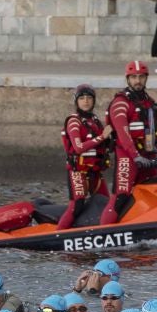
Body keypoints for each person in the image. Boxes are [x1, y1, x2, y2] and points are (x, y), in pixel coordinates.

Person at [104, 61, 157, 225]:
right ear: (128, 79)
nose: (138, 80)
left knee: (151, 192)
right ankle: (102, 231)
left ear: (146, 78)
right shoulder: (120, 103)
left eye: (141, 77)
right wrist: (135, 156)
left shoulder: (150, 104)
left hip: (148, 157)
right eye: (134, 77)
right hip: (128, 157)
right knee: (120, 195)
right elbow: (123, 134)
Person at [56, 85, 108, 229]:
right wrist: (102, 137)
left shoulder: (95, 121)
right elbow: (78, 147)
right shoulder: (74, 121)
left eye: (89, 98)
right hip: (78, 171)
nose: (86, 101)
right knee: (77, 203)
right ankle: (59, 233)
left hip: (95, 171)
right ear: (76, 101)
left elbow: (106, 144)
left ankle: (105, 230)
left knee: (106, 202)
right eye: (82, 98)